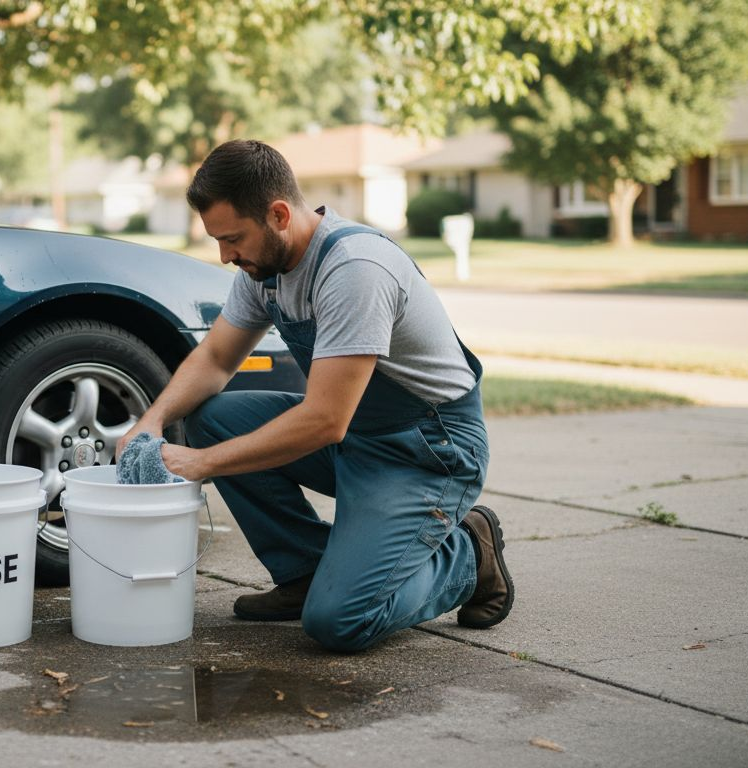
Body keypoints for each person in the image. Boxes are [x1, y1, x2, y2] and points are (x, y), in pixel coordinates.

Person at [117, 139, 512, 652]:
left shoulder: (354, 270)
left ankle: (467, 555)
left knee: (341, 621)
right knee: (212, 416)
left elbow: (325, 420)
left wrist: (199, 464)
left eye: (232, 238)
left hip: (426, 452)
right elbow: (215, 360)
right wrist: (151, 422)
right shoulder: (266, 270)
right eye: (217, 241)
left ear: (279, 214)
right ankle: (305, 570)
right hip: (357, 437)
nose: (225, 256)